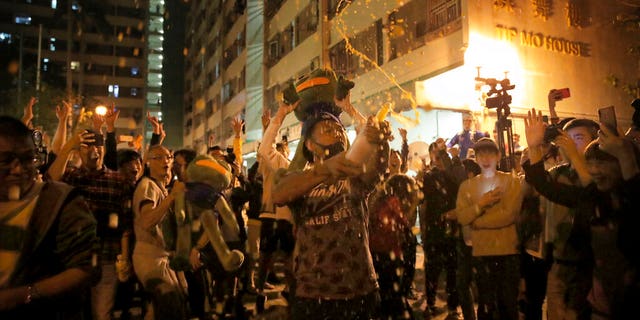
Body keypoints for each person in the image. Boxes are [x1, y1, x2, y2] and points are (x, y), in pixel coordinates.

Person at [522, 108, 640, 319]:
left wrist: (623, 155)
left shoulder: (626, 199)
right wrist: (533, 147)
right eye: (591, 163)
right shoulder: (588, 196)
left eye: (602, 163)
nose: (594, 170)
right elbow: (544, 185)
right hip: (591, 301)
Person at [272, 109, 390, 319]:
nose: (336, 133)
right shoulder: (301, 179)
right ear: (309, 144)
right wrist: (324, 169)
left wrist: (380, 142)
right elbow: (279, 194)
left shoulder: (353, 175)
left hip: (360, 290)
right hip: (312, 293)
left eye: (339, 129)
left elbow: (375, 169)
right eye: (328, 129)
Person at [0, 116, 99, 318]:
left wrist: (24, 294)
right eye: (6, 160)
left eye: (28, 159)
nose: (18, 169)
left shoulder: (58, 201)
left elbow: (86, 268)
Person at [47, 122, 134, 320]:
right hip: (74, 257)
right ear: (79, 152)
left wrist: (125, 257)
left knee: (102, 313)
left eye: (98, 146)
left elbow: (126, 224)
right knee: (73, 312)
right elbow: (51, 180)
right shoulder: (71, 176)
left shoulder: (118, 180)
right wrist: (70, 145)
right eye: (88, 147)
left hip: (107, 256)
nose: (95, 151)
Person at [455, 138, 523, 320]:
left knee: (508, 305)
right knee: (486, 306)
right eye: (481, 154)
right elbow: (462, 217)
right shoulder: (467, 186)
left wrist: (477, 221)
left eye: (490, 153)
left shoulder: (510, 180)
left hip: (507, 252)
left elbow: (509, 215)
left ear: (498, 156)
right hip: (482, 253)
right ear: (476, 158)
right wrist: (481, 204)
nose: (486, 158)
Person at [132, 145, 188, 320]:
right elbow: (147, 221)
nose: (166, 161)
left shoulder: (159, 188)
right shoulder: (147, 186)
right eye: (159, 158)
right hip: (150, 257)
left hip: (163, 257)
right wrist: (171, 198)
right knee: (169, 304)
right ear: (148, 163)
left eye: (168, 157)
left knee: (162, 309)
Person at [255, 102, 297, 312]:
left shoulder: (292, 166)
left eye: (284, 147)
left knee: (288, 259)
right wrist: (266, 129)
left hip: (286, 218)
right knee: (265, 257)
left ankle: (292, 293)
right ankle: (259, 292)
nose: (282, 149)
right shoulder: (271, 164)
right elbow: (265, 151)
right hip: (270, 215)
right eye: (279, 147)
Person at [420, 140, 465, 319]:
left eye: (441, 156)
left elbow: (459, 183)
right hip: (434, 230)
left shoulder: (452, 174)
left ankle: (453, 307)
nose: (438, 159)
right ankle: (430, 304)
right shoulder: (428, 176)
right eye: (436, 156)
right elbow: (423, 203)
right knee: (432, 270)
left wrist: (448, 158)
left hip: (452, 229)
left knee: (452, 269)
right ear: (431, 156)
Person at [369, 174, 419, 320]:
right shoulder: (394, 202)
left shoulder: (378, 203)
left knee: (386, 299)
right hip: (391, 257)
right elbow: (402, 225)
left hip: (376, 255)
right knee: (395, 300)